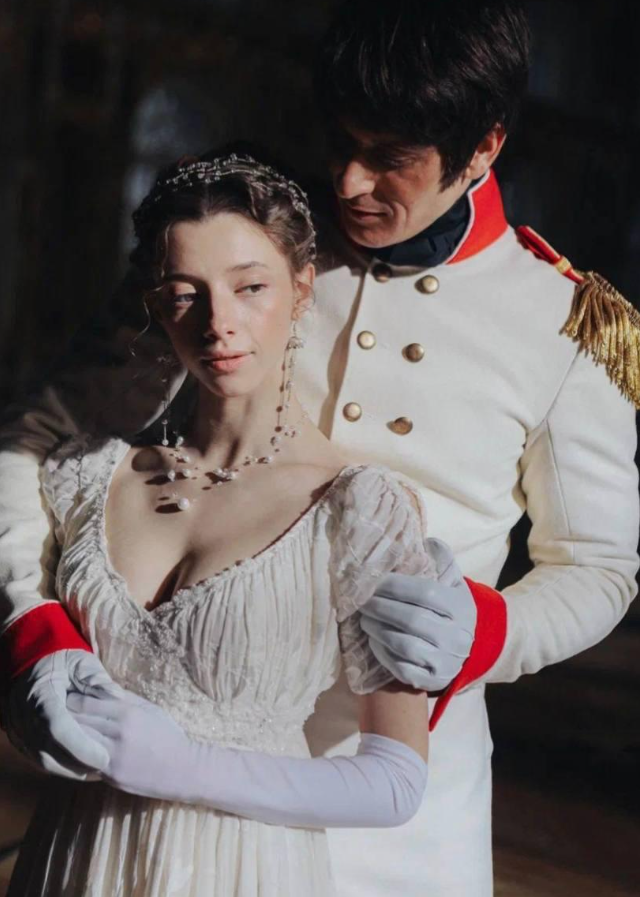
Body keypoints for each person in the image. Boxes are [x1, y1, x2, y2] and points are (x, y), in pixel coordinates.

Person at [0, 1, 638, 894]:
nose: (348, 181)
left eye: (391, 158)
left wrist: (487, 632)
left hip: (399, 818)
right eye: (340, 140)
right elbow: (35, 438)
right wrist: (31, 624)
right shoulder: (242, 248)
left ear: (484, 146)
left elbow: (599, 567)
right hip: (167, 797)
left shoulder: (566, 324)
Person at [6, 152, 438, 896]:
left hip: (244, 870)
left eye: (250, 287)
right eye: (185, 294)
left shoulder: (354, 506)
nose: (219, 324)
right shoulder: (87, 473)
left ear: (302, 289)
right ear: (155, 304)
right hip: (74, 858)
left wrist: (186, 768)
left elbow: (396, 781)